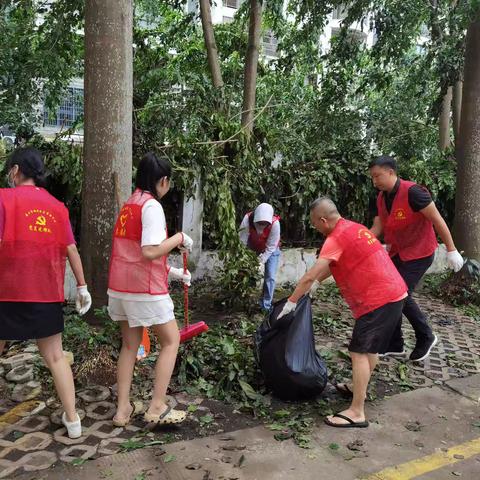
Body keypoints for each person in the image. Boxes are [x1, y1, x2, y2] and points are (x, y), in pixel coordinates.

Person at [278, 197, 407, 428]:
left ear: (323, 220)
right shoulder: (354, 228)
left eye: (315, 224)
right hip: (395, 293)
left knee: (358, 352)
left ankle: (357, 411)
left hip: (378, 299)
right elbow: (335, 264)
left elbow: (309, 274)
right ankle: (358, 387)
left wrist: (291, 302)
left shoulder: (335, 237)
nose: (316, 228)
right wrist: (318, 283)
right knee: (370, 349)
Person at [0, 147, 91, 439]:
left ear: (15, 171)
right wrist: (82, 286)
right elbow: (71, 248)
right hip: (46, 294)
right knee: (55, 357)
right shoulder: (57, 207)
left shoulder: (3, 199)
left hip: (7, 293)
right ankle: (74, 421)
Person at [108, 152, 193, 427]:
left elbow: (135, 254)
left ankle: (122, 411)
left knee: (130, 346)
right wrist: (179, 237)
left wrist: (176, 272)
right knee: (171, 341)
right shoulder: (152, 206)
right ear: (163, 181)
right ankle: (157, 405)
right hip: (145, 292)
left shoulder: (129, 204)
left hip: (120, 289)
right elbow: (149, 252)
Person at [369, 155, 464, 361]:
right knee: (388, 293)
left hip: (420, 252)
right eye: (372, 177)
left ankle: (426, 336)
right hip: (397, 251)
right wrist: (362, 241)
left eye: (377, 176)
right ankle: (395, 344)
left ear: (391, 172)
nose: (374, 181)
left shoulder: (414, 192)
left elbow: (437, 220)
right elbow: (379, 226)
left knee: (400, 293)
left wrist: (451, 249)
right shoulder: (380, 197)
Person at [239, 203, 281, 311]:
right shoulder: (248, 219)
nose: (262, 224)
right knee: (245, 273)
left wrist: (260, 261)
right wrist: (243, 258)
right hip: (252, 247)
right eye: (260, 222)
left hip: (271, 250)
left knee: (270, 276)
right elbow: (242, 240)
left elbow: (271, 247)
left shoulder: (275, 224)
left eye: (264, 223)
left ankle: (266, 305)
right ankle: (245, 298)